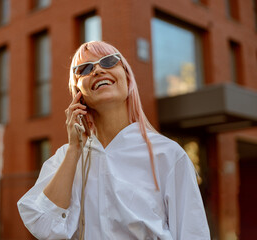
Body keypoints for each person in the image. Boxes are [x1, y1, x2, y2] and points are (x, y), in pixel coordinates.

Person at [17, 41, 210, 240]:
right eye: (85, 68)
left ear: (128, 79)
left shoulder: (168, 155)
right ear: (78, 94)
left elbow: (193, 234)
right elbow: (43, 226)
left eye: (109, 61)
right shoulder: (65, 158)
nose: (98, 70)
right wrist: (75, 149)